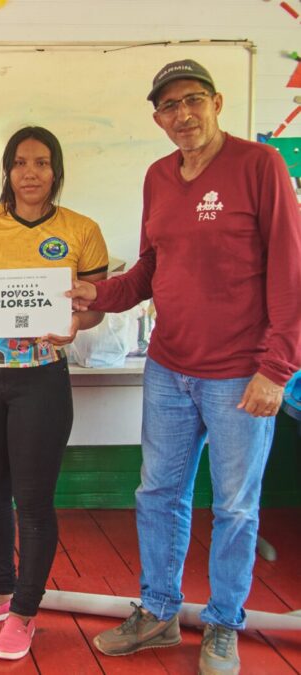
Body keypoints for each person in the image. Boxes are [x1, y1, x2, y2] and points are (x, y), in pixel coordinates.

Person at [71, 60, 301, 675]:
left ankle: (224, 623)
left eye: (193, 100)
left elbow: (290, 270)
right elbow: (152, 266)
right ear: (157, 118)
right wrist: (101, 293)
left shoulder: (260, 166)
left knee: (235, 507)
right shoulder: (158, 176)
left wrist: (277, 368)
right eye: (169, 106)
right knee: (158, 493)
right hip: (168, 367)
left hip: (241, 374)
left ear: (216, 102)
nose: (183, 115)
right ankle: (158, 612)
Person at [0, 126, 108, 659]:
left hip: (41, 377)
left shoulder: (82, 230)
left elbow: (94, 305)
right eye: (20, 163)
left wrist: (77, 322)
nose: (30, 173)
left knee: (34, 501)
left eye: (41, 162)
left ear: (55, 170)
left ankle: (24, 612)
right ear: (7, 170)